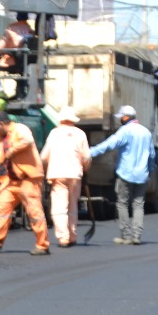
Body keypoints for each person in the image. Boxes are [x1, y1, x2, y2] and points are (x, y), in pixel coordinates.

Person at [0, 112, 50, 256]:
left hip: (28, 179)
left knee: (34, 212)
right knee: (1, 208)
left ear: (1, 123)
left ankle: (42, 245)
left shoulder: (20, 129)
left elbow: (27, 141)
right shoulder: (3, 140)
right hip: (12, 181)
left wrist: (12, 150)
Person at [89, 104, 156, 246]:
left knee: (123, 204)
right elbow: (152, 155)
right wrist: (149, 171)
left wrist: (90, 152)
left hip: (125, 174)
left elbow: (109, 144)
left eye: (121, 117)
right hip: (142, 175)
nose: (120, 120)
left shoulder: (125, 131)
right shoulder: (146, 132)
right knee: (138, 205)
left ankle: (126, 236)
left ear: (126, 117)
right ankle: (137, 236)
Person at [41, 106, 91, 247]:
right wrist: (85, 169)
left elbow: (44, 157)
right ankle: (72, 235)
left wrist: (45, 170)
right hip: (75, 174)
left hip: (58, 174)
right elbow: (86, 157)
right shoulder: (80, 134)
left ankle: (63, 237)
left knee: (59, 207)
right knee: (72, 205)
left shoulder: (54, 133)